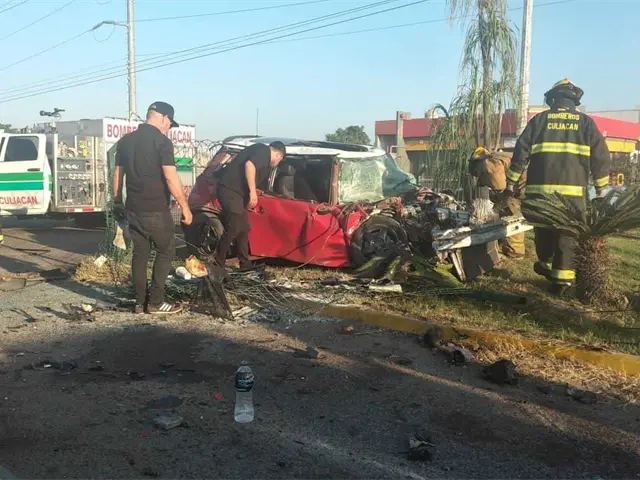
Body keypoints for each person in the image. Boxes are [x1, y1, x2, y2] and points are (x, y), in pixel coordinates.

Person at [506, 79, 611, 295]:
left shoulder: (539, 121)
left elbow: (520, 152)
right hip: (573, 198)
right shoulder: (586, 123)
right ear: (574, 100)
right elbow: (601, 158)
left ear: (552, 99)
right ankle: (562, 283)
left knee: (543, 230)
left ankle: (546, 264)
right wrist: (601, 190)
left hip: (540, 195)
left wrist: (510, 182)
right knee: (567, 237)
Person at [112, 101, 193, 314]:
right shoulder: (162, 142)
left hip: (133, 208)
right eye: (169, 123)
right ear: (163, 118)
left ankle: (140, 302)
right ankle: (156, 302)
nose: (169, 128)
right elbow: (171, 177)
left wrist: (117, 201)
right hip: (155, 207)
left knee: (140, 254)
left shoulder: (126, 141)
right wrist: (185, 207)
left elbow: (118, 174)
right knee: (166, 250)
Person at [215, 141, 286, 269]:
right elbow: (250, 165)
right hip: (230, 190)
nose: (277, 163)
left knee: (244, 227)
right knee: (234, 225)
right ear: (278, 155)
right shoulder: (263, 151)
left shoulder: (263, 158)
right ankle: (218, 261)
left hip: (238, 194)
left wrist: (254, 191)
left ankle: (244, 263)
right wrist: (252, 193)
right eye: (279, 160)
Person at [468, 146, 526, 259]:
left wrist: (497, 204)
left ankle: (515, 250)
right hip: (524, 184)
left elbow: (500, 187)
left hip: (521, 187)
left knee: (509, 213)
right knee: (503, 208)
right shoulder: (496, 158)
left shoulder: (489, 163)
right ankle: (504, 242)